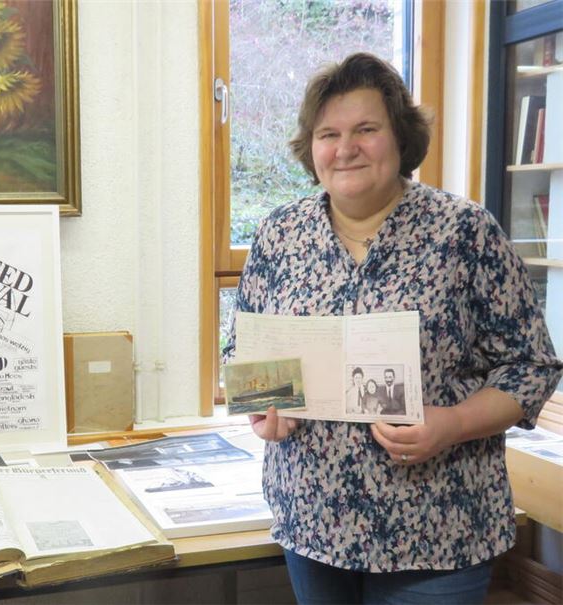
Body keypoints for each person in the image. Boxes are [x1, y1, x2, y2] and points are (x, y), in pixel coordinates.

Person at [222, 52, 562, 604]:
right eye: (328, 133)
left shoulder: (464, 231)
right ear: (311, 148)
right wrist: (263, 407)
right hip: (312, 522)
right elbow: (245, 349)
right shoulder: (280, 235)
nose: (345, 148)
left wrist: (451, 422)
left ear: (400, 138)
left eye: (366, 129)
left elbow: (530, 366)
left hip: (438, 529)